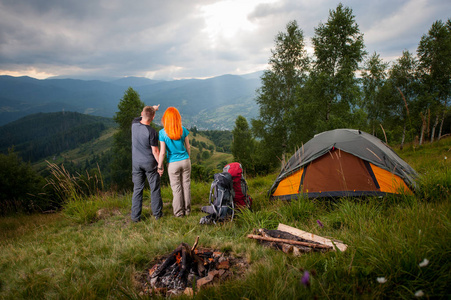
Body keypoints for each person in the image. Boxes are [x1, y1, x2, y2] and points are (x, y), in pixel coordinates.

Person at [131, 105, 163, 222]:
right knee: (154, 188)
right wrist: (160, 166)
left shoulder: (134, 124)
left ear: (142, 113)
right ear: (153, 117)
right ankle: (157, 214)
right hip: (149, 164)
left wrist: (152, 108)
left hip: (136, 164)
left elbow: (141, 116)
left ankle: (135, 217)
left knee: (137, 189)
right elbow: (155, 151)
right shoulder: (152, 132)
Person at [157, 107, 191, 217]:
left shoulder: (162, 133)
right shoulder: (183, 129)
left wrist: (160, 166)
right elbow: (188, 147)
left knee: (176, 188)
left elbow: (162, 152)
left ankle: (178, 212)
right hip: (185, 160)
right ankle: (187, 210)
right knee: (186, 186)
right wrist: (188, 158)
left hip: (173, 163)